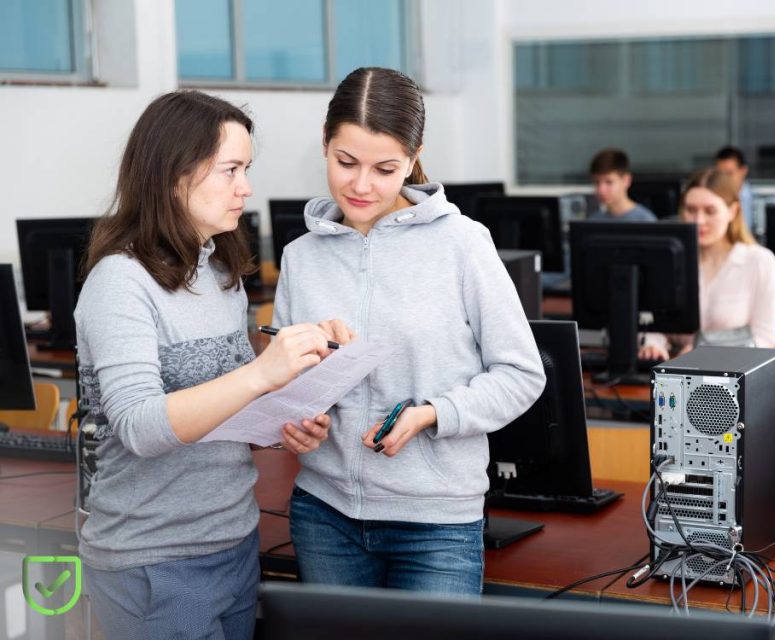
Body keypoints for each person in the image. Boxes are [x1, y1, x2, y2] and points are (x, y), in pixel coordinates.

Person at [75, 90, 348, 639]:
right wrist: (260, 374)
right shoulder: (119, 283)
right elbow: (141, 427)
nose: (244, 187)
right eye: (230, 170)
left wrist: (282, 420)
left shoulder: (220, 274)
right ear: (175, 174)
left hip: (231, 538)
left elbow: (218, 411)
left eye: (246, 169)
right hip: (153, 557)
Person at [273, 67, 546, 595]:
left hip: (437, 525)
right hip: (323, 514)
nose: (361, 185)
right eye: (345, 162)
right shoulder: (300, 257)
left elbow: (521, 374)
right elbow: (284, 381)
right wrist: (297, 419)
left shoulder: (463, 244)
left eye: (385, 168)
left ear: (414, 157)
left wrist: (433, 414)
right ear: (325, 144)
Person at [638, 168, 775, 360]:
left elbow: (764, 340)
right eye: (691, 210)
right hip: (673, 371)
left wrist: (707, 351)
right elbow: (652, 323)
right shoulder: (670, 261)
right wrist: (652, 343)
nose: (699, 220)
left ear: (733, 211)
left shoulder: (759, 261)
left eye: (710, 211)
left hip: (731, 376)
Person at [588, 148, 658, 221]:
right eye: (596, 182)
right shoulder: (594, 220)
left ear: (626, 181)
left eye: (609, 182)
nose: (601, 190)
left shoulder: (645, 220)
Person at [714, 146, 754, 231]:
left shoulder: (758, 200)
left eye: (729, 173)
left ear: (743, 171)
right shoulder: (713, 200)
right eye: (720, 174)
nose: (724, 179)